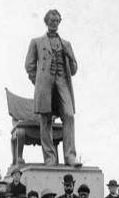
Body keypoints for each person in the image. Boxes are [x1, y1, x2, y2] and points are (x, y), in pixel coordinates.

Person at [25, 9, 80, 166]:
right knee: (46, 119)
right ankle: (50, 158)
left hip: (63, 83)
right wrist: (39, 82)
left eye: (56, 21)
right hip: (45, 85)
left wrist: (69, 55)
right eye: (51, 20)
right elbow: (29, 65)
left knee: (69, 115)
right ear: (46, 22)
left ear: (59, 22)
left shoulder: (67, 44)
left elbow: (74, 70)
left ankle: (70, 157)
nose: (54, 23)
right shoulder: (36, 42)